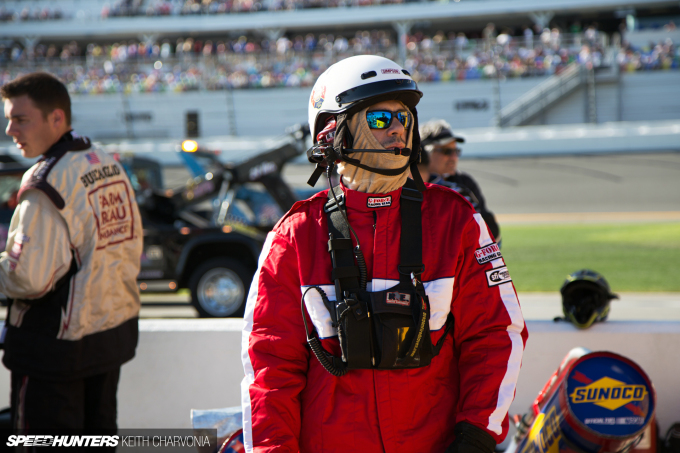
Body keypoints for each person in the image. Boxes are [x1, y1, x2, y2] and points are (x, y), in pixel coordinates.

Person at [241, 55, 527, 452]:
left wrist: (476, 435)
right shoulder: (295, 236)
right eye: (379, 119)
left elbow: (496, 334)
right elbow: (270, 370)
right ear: (334, 131)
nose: (398, 129)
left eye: (405, 118)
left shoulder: (455, 220)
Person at [1, 72, 142, 433]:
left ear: (57, 118)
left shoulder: (45, 183)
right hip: (111, 338)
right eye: (8, 119)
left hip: (54, 351)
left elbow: (27, 279)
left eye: (20, 119)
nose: (10, 130)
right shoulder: (106, 161)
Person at [420, 119, 501, 243]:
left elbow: (491, 234)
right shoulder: (411, 184)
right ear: (424, 152)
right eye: (446, 151)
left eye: (456, 151)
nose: (454, 157)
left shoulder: (465, 183)